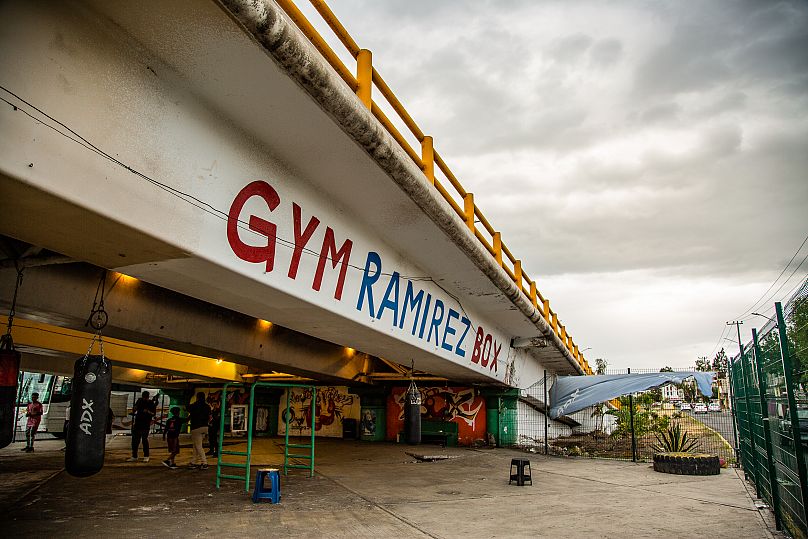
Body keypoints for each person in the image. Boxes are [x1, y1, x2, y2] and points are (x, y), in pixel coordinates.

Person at [127, 391, 156, 463]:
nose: (144, 399)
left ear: (148, 397)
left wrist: (148, 411)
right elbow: (135, 409)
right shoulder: (139, 400)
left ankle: (146, 456)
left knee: (144, 440)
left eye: (145, 398)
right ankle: (134, 456)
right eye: (143, 397)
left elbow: (153, 414)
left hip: (145, 424)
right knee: (135, 441)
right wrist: (135, 408)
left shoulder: (151, 403)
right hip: (137, 423)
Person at [188, 392, 211, 469]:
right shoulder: (207, 406)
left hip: (196, 427)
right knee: (196, 446)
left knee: (198, 446)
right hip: (205, 427)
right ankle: (193, 462)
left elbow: (188, 408)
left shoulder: (194, 406)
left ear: (197, 397)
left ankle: (204, 463)